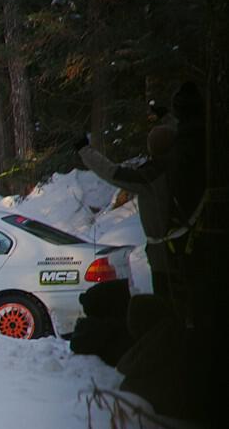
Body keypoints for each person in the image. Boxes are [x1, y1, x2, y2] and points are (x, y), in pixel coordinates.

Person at [76, 116, 181, 306]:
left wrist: (84, 150)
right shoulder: (185, 165)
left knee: (170, 308)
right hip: (186, 249)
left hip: (167, 257)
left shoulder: (151, 176)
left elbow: (112, 173)